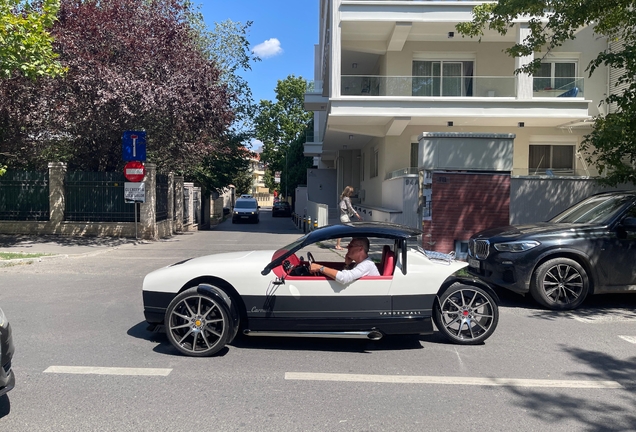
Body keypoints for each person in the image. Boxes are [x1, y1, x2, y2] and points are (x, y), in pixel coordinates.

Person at [310, 237, 379, 284]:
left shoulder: (367, 264)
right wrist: (347, 264)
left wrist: (320, 268)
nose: (347, 247)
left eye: (351, 246)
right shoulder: (360, 263)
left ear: (360, 249)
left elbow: (343, 278)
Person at [335, 186, 362, 250]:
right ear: (348, 192)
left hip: (344, 216)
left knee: (343, 231)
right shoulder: (346, 199)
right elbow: (350, 208)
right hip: (344, 217)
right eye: (351, 192)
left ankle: (339, 245)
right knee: (353, 230)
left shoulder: (344, 198)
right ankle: (354, 245)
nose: (352, 194)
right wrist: (357, 215)